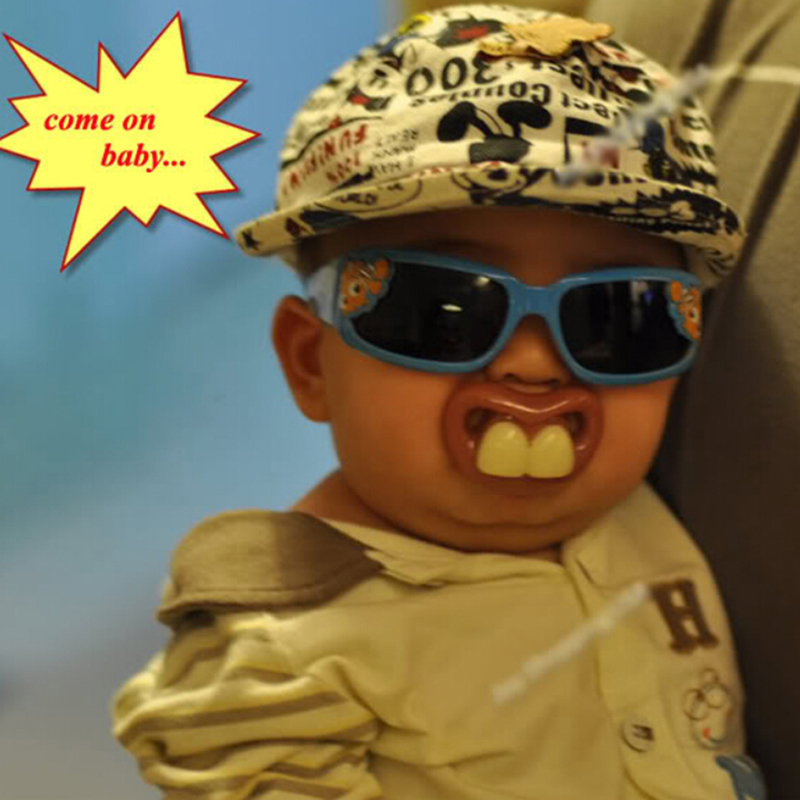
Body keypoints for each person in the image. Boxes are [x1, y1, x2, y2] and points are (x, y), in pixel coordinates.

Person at [111, 6, 766, 798]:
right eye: (443, 310)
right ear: (312, 362)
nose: (534, 366)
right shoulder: (274, 652)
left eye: (617, 318)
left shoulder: (650, 511)